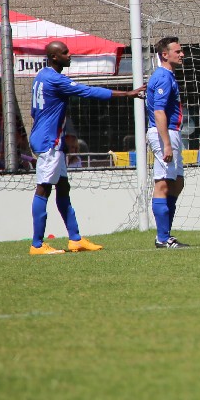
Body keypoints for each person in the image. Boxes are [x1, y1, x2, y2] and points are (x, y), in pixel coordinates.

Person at [27, 40, 144, 255]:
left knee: (63, 187)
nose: (70, 55)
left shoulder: (41, 76)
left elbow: (34, 112)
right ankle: (37, 245)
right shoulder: (56, 79)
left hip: (48, 139)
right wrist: (127, 94)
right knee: (43, 188)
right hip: (49, 141)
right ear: (54, 57)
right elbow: (87, 91)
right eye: (65, 53)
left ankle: (75, 239)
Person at [147, 37, 190, 248]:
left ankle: (165, 234)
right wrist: (165, 143)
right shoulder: (163, 76)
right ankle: (162, 238)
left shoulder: (166, 76)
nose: (182, 54)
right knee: (163, 183)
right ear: (165, 54)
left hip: (171, 132)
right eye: (178, 51)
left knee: (177, 182)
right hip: (164, 133)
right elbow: (159, 112)